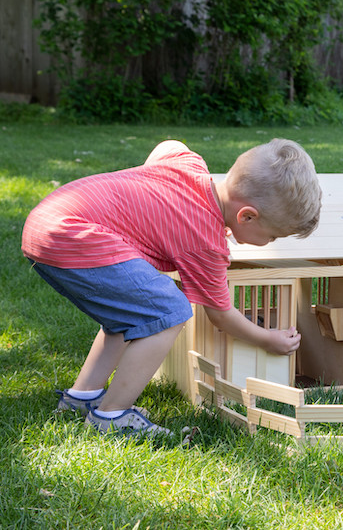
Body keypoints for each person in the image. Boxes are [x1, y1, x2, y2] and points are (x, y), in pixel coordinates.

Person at [21, 138, 322, 436]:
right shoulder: (205, 242)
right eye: (271, 237)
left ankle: (82, 397)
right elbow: (220, 314)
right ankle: (111, 417)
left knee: (129, 314)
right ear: (246, 216)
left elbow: (169, 145)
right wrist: (266, 339)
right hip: (74, 235)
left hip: (49, 221)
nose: (269, 243)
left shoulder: (188, 165)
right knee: (170, 310)